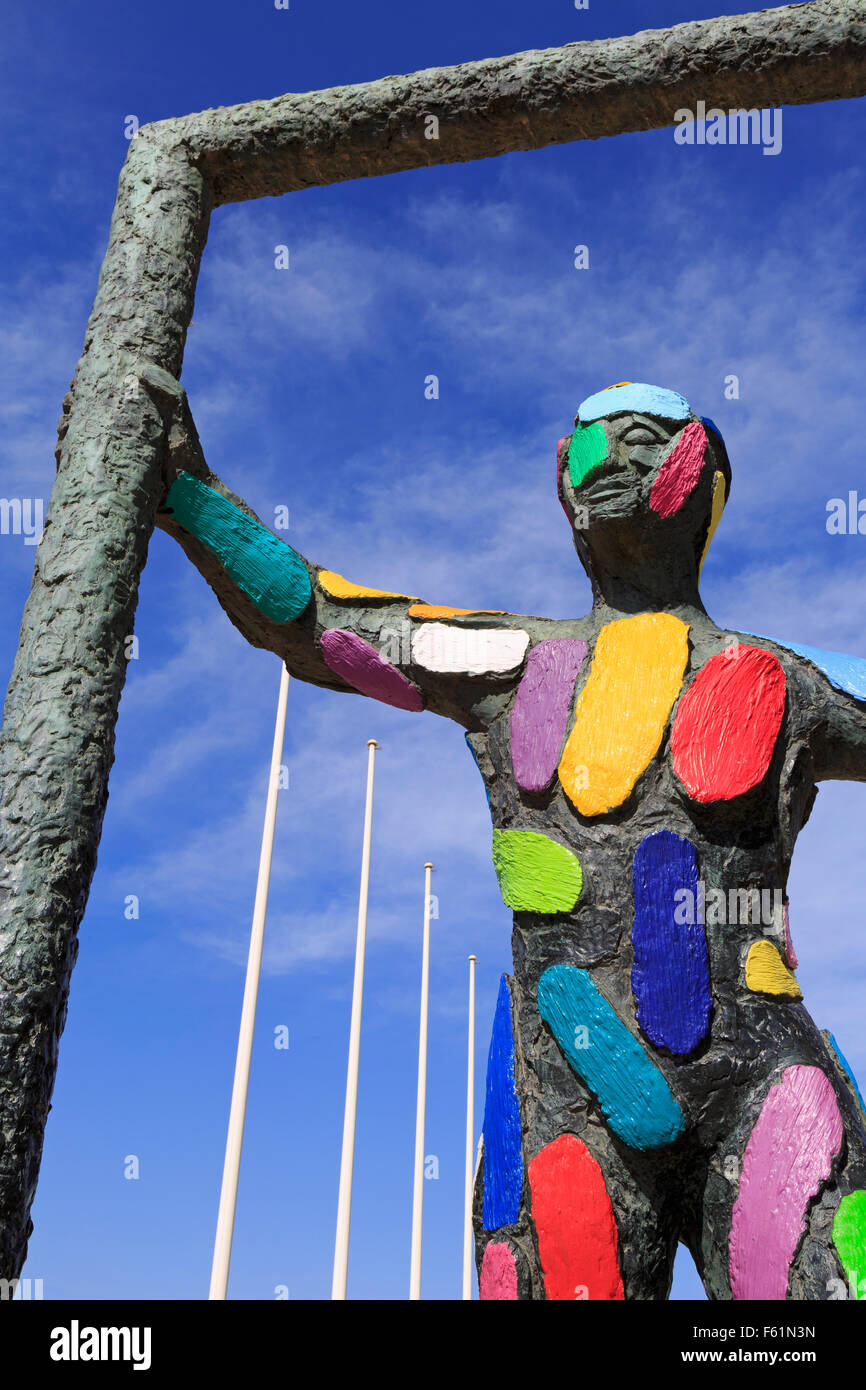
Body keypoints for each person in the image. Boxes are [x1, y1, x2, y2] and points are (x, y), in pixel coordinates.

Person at [157, 380, 866, 1300]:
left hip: (765, 1079)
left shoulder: (788, 683)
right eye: (589, 448)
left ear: (707, 482)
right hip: (568, 1085)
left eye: (646, 439)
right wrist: (185, 493)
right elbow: (321, 623)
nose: (611, 460)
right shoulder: (510, 665)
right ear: (565, 492)